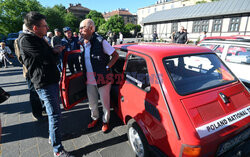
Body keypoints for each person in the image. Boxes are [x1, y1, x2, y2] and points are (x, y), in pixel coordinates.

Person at [19, 11, 74, 157]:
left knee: (55, 114)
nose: (47, 28)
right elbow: (46, 57)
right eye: (44, 26)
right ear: (35, 27)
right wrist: (55, 51)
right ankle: (57, 150)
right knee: (55, 115)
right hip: (44, 83)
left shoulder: (38, 37)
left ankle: (54, 136)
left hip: (50, 81)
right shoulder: (26, 40)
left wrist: (54, 51)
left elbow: (49, 54)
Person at [79, 19, 119, 132]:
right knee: (92, 103)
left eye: (83, 27)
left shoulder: (101, 41)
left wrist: (107, 67)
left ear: (91, 28)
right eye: (80, 28)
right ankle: (95, 118)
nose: (80, 30)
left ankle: (105, 121)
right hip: (89, 80)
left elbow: (115, 56)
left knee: (105, 103)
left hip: (103, 78)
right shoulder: (82, 42)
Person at [14, 24, 45, 121]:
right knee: (34, 92)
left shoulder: (36, 38)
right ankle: (37, 114)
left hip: (39, 70)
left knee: (41, 90)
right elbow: (20, 57)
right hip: (29, 71)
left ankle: (43, 109)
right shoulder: (20, 40)